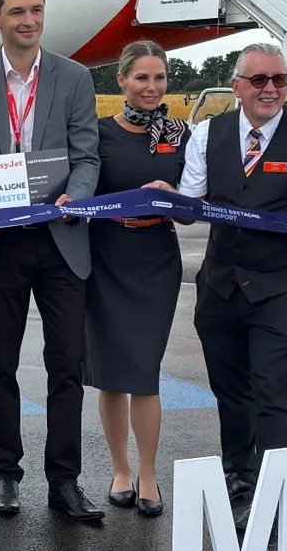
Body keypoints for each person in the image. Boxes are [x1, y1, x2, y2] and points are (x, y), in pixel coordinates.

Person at [148, 42, 287, 530]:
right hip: (221, 284)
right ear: (237, 87)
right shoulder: (208, 134)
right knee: (231, 391)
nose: (271, 89)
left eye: (280, 81)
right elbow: (193, 208)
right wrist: (169, 198)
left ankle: (277, 494)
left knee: (275, 393)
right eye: (260, 80)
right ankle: (240, 474)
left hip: (281, 286)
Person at [0, 0, 103, 522]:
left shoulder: (75, 77)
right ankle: (5, 475)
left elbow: (87, 157)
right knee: (0, 365)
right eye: (17, 11)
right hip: (1, 247)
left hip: (61, 240)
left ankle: (65, 482)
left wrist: (75, 199)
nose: (29, 20)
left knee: (66, 366)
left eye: (36, 9)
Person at [83, 40, 190, 518]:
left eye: (160, 78)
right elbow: (77, 186)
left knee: (144, 373)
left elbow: (195, 205)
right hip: (106, 256)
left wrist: (176, 196)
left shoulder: (182, 134)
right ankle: (120, 469)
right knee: (111, 373)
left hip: (156, 258)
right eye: (142, 78)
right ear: (121, 81)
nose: (152, 87)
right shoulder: (97, 133)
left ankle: (148, 472)